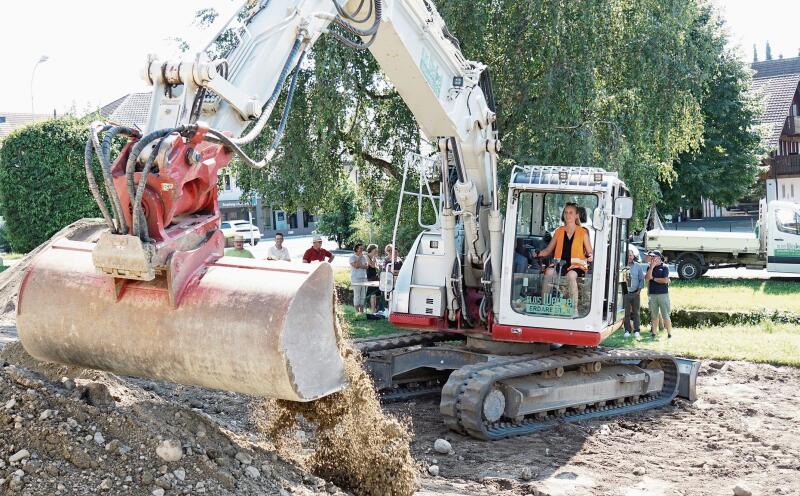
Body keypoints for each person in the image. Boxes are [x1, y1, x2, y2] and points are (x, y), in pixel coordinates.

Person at [536, 202, 594, 316]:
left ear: (577, 215)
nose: (568, 215)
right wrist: (537, 254)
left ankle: (574, 309)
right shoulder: (559, 231)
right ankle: (544, 306)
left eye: (571, 212)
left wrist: (590, 257)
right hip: (559, 264)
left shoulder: (583, 232)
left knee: (571, 275)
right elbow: (548, 250)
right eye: (566, 212)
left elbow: (590, 252)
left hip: (576, 267)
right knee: (548, 272)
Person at [645, 250, 672, 338]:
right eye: (652, 257)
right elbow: (647, 278)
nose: (652, 258)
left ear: (659, 257)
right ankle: (654, 333)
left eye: (654, 257)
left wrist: (654, 278)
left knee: (665, 315)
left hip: (663, 295)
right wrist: (652, 267)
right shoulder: (649, 267)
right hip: (652, 295)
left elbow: (665, 280)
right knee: (654, 315)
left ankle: (669, 333)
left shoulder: (665, 267)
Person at [622, 247, 646, 339]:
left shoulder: (638, 266)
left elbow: (641, 279)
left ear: (634, 256)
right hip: (625, 293)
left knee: (636, 313)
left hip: (636, 293)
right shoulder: (622, 266)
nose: (629, 257)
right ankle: (627, 330)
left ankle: (637, 331)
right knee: (626, 313)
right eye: (628, 255)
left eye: (631, 255)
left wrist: (639, 291)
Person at [349, 243, 369, 314]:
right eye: (360, 248)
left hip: (364, 278)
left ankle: (362, 311)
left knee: (363, 295)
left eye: (362, 249)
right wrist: (360, 258)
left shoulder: (364, 257)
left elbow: (366, 267)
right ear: (356, 249)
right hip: (356, 278)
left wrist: (361, 265)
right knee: (357, 295)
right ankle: (357, 312)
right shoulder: (352, 257)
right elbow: (356, 266)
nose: (362, 250)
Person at [365, 244, 381, 313]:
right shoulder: (367, 256)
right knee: (372, 294)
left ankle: (376, 309)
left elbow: (377, 267)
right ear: (371, 249)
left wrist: (376, 265)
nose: (376, 251)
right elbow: (372, 265)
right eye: (375, 250)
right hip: (370, 277)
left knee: (377, 294)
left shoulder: (374, 258)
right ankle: (372, 310)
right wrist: (374, 261)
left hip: (375, 276)